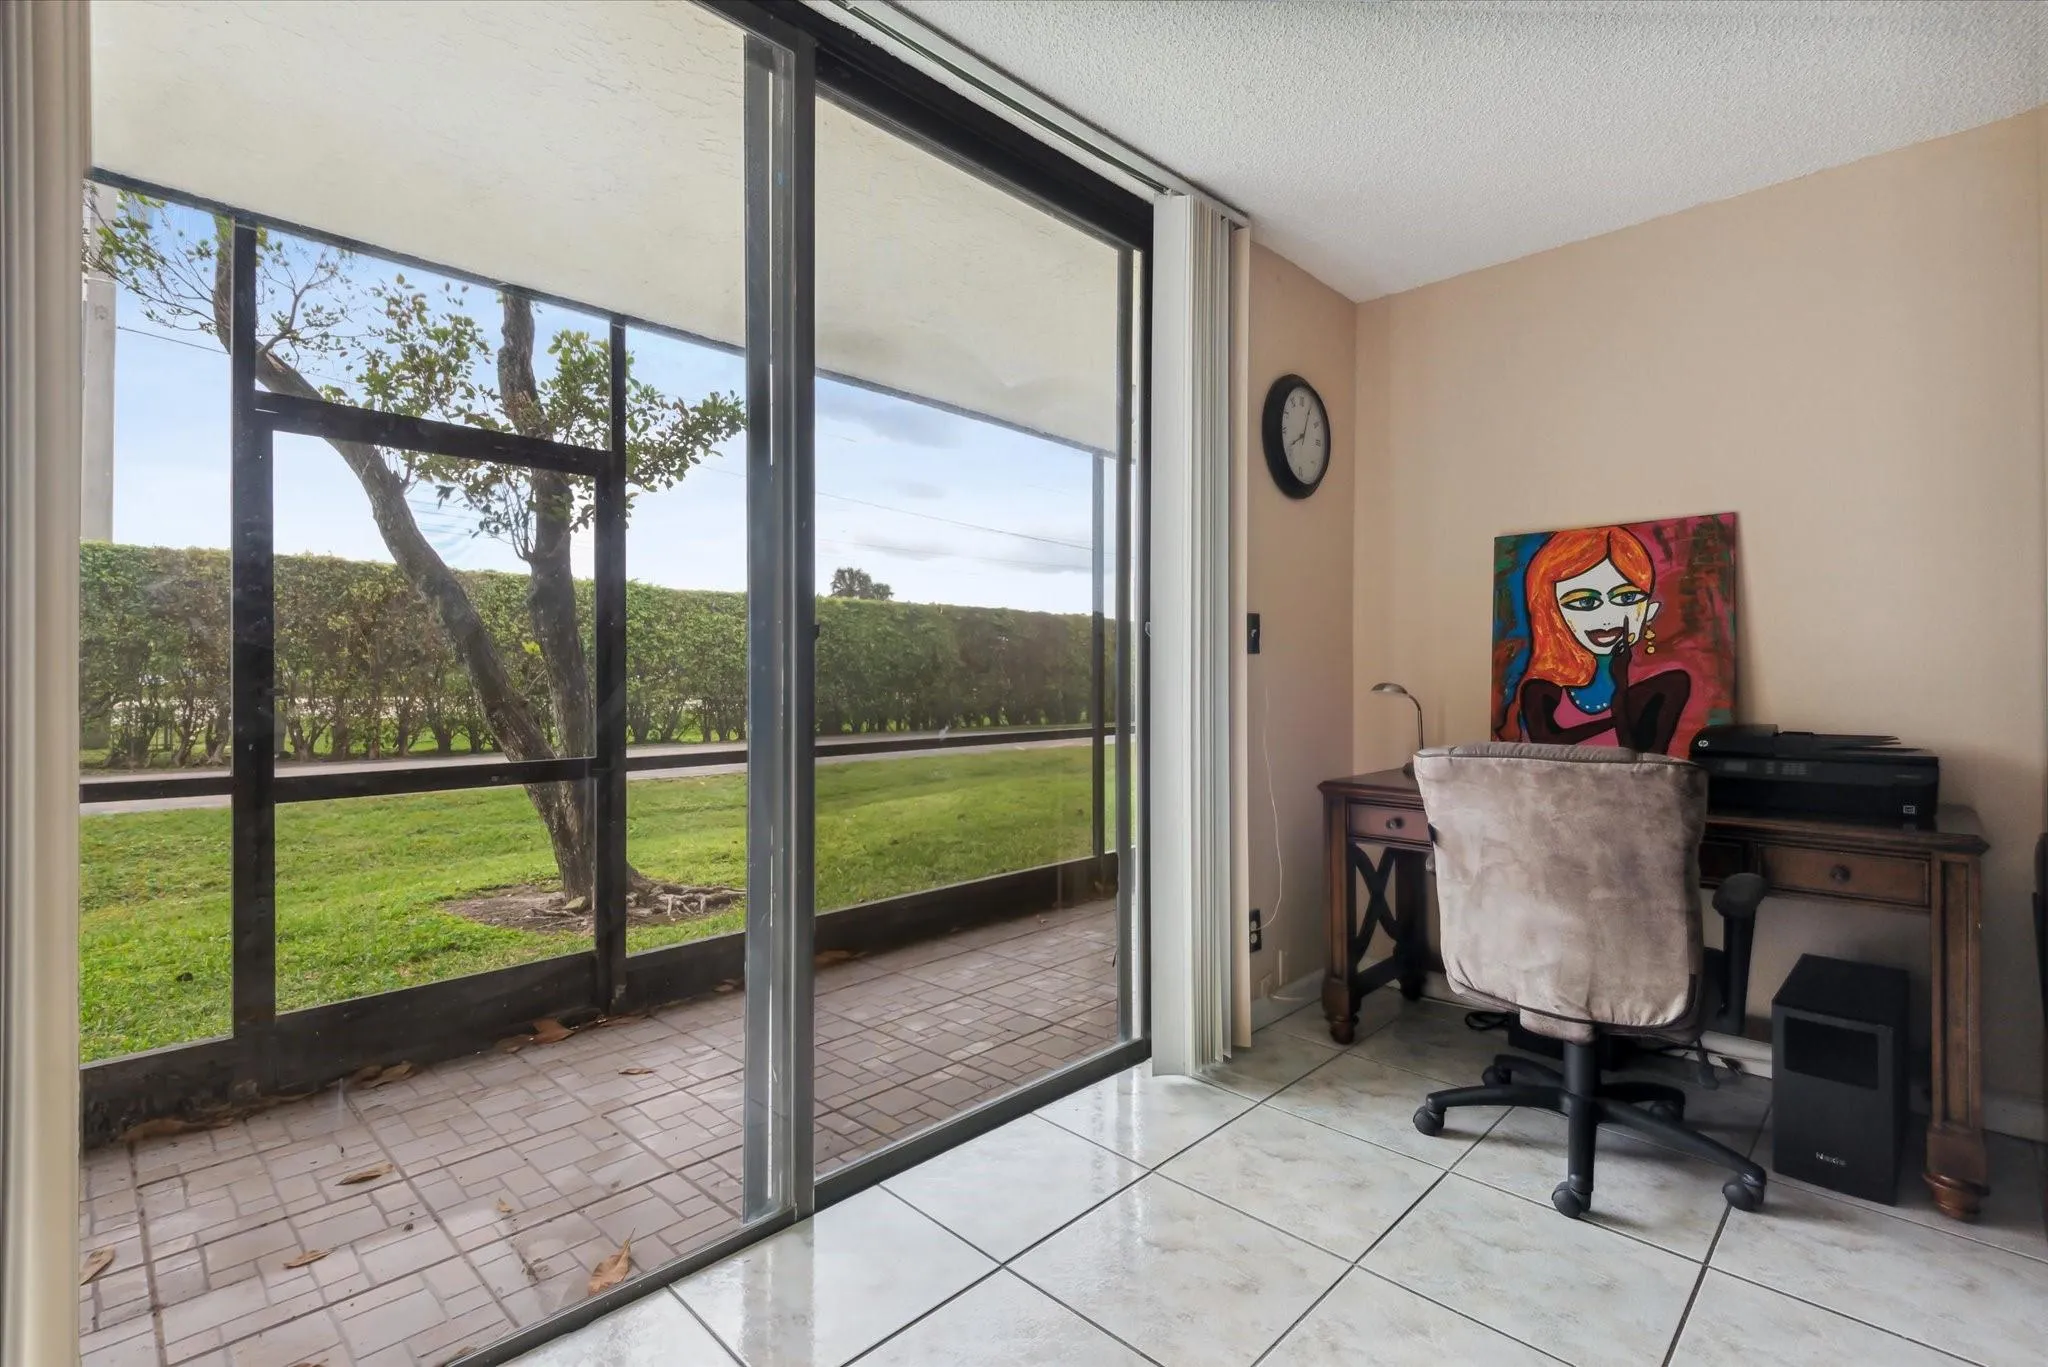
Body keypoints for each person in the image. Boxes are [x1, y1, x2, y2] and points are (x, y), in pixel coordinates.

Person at [1512, 524, 1691, 754]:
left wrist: (1621, 683)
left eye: (1626, 598)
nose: (1606, 618)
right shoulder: (1541, 690)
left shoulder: (1669, 684)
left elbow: (1640, 759)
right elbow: (1550, 749)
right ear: (1554, 613)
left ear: (1649, 610)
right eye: (1585, 602)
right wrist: (1612, 715)